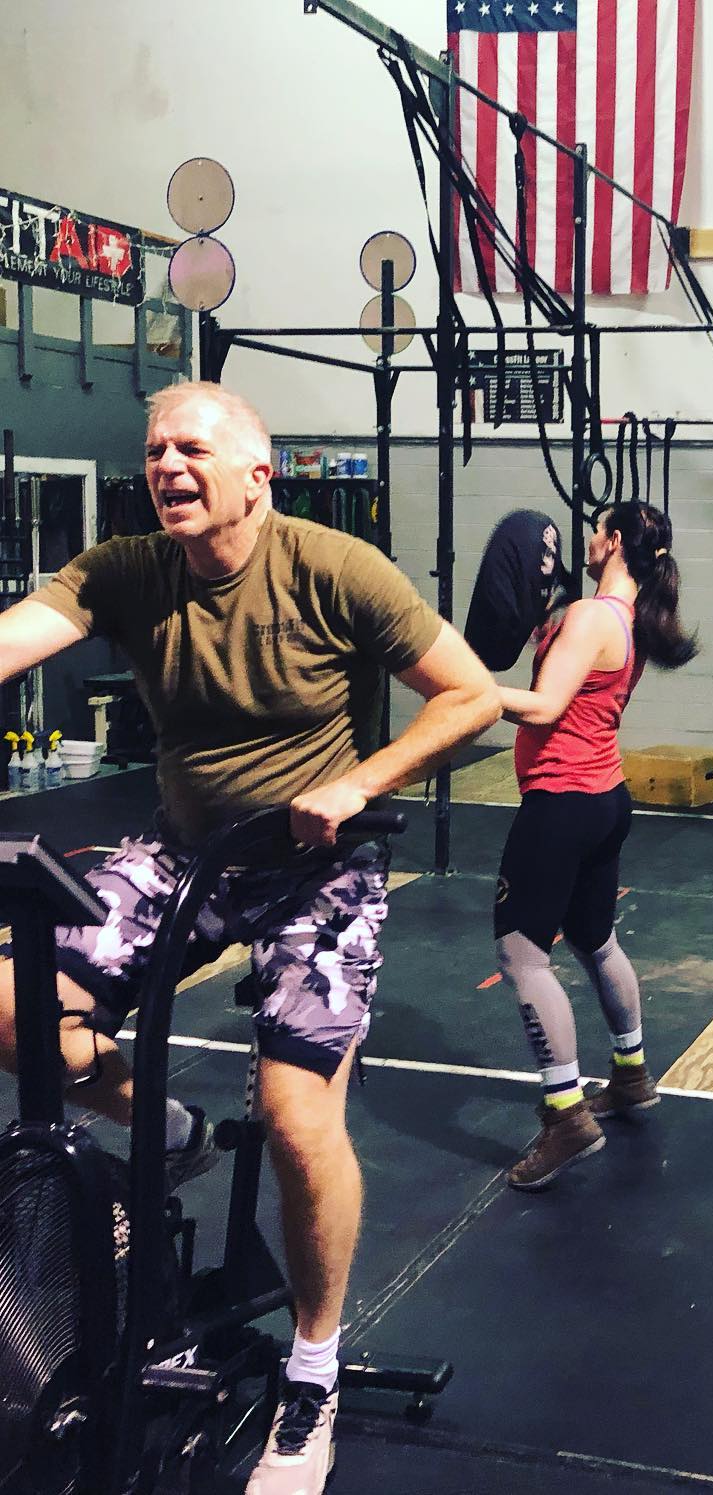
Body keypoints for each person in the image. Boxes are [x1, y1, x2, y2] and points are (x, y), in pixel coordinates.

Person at [0, 381, 500, 1493]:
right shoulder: (127, 571)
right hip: (184, 851)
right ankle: (171, 1131)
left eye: (190, 448)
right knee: (12, 1009)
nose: (166, 467)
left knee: (293, 1114)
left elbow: (470, 697)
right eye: (154, 451)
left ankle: (311, 1376)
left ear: (257, 474)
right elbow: (13, 638)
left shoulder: (334, 568)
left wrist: (359, 781)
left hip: (320, 869)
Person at [493, 500, 697, 1191]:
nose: (586, 535)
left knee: (522, 955)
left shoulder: (590, 617)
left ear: (612, 542)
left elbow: (544, 708)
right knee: (595, 939)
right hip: (604, 799)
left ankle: (566, 1116)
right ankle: (632, 1075)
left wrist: (471, 691)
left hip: (561, 803)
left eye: (596, 527)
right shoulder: (627, 618)